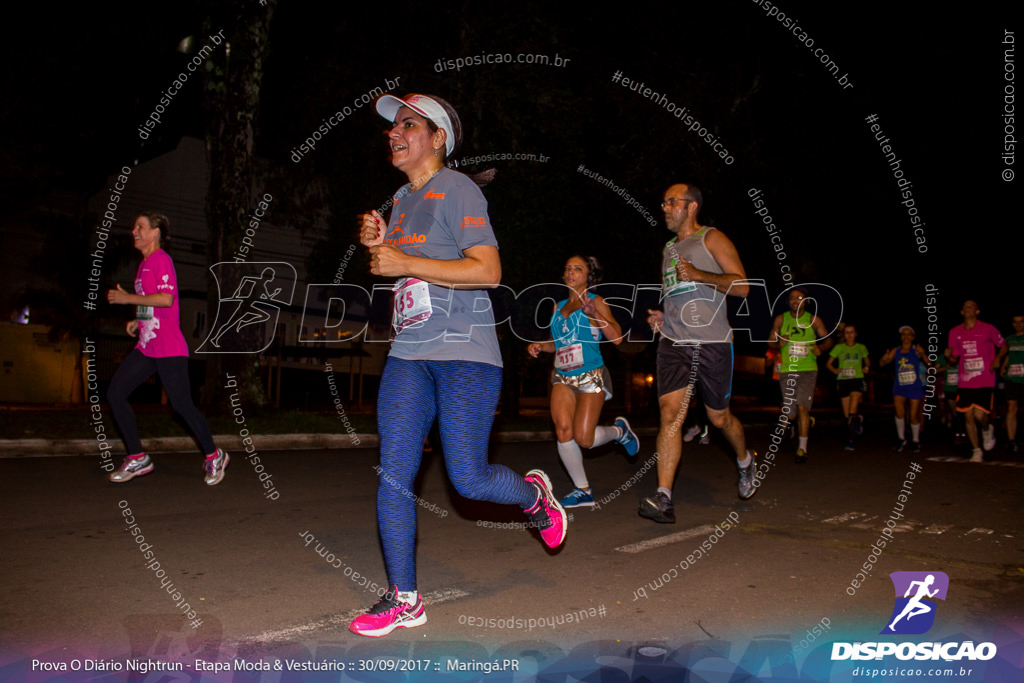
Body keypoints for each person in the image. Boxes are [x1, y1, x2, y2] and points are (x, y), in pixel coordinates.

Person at [349, 94, 566, 637]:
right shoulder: (401, 197)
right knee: (393, 474)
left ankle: (536, 498)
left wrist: (402, 259)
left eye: (407, 124)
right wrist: (379, 247)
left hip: (465, 353)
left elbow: (488, 270)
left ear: (439, 137)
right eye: (391, 127)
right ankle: (404, 597)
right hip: (409, 353)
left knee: (467, 479)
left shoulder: (459, 188)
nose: (394, 133)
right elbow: (403, 272)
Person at [639, 183, 757, 525]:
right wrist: (663, 315)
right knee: (670, 413)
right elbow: (676, 293)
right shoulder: (667, 249)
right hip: (674, 342)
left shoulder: (712, 238)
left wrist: (700, 274)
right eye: (663, 202)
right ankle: (664, 496)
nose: (664, 207)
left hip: (713, 342)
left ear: (691, 206)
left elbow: (743, 287)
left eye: (671, 202)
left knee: (719, 418)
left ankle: (745, 459)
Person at [106, 212, 229, 485]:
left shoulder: (162, 261)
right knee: (115, 393)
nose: (134, 231)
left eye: (140, 227)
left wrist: (128, 298)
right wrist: (138, 322)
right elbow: (152, 304)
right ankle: (138, 457)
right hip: (148, 346)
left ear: (156, 232)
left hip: (170, 349)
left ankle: (214, 455)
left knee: (181, 405)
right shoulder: (144, 265)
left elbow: (165, 298)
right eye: (133, 227)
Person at [527, 255, 639, 508]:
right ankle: (583, 490)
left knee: (584, 439)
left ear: (589, 276)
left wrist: (593, 313)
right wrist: (539, 346)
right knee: (563, 430)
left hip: (591, 375)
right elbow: (558, 343)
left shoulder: (596, 301)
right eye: (567, 268)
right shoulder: (557, 306)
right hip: (562, 376)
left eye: (578, 268)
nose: (570, 272)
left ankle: (620, 432)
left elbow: (617, 338)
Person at [768, 287, 832, 463]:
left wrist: (821, 348)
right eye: (791, 298)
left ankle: (802, 448)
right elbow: (770, 342)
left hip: (808, 369)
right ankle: (800, 422)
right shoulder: (781, 319)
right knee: (791, 414)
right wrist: (778, 342)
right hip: (788, 370)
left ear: (805, 301)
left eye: (799, 298)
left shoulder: (813, 319)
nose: (794, 301)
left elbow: (828, 339)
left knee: (803, 406)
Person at [946, 300, 1007, 462]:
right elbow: (953, 359)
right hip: (965, 381)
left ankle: (987, 429)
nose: (967, 309)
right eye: (964, 307)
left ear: (977, 311)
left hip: (985, 379)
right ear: (961, 312)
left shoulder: (988, 328)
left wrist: (998, 359)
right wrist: (948, 356)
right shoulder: (954, 332)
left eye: (971, 306)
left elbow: (1004, 345)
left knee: (980, 416)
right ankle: (976, 450)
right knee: (968, 417)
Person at [880, 326, 928, 453]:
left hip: (914, 385)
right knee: (899, 412)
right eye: (903, 334)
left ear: (913, 337)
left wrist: (922, 354)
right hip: (900, 385)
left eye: (908, 334)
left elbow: (930, 364)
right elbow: (882, 363)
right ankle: (901, 438)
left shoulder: (916, 350)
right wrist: (884, 358)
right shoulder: (896, 350)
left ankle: (915, 440)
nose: (906, 337)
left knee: (913, 415)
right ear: (901, 337)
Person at [827, 323, 870, 451]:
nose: (849, 335)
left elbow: (867, 361)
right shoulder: (839, 348)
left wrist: (866, 368)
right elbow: (828, 364)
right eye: (847, 332)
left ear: (855, 334)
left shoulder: (861, 347)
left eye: (851, 332)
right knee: (847, 415)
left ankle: (850, 440)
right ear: (844, 335)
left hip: (856, 380)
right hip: (843, 381)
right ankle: (857, 420)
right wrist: (835, 370)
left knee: (851, 411)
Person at [1000, 314, 1024, 453]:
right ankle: (1011, 440)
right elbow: (1007, 354)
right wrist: (1003, 366)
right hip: (1012, 378)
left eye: (1021, 322)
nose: (1018, 324)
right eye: (1015, 322)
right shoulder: (1009, 339)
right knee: (1011, 408)